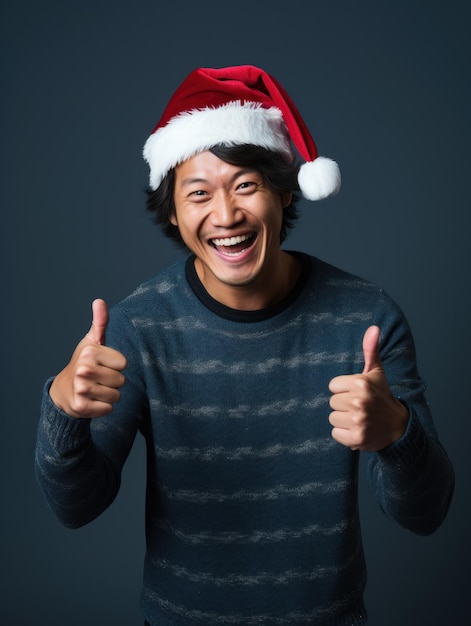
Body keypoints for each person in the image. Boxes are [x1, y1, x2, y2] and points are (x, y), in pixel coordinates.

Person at [35, 65, 454, 625]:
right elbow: (76, 508)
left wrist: (397, 433)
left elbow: (426, 515)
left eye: (246, 185)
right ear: (175, 213)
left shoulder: (366, 319)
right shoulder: (140, 326)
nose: (226, 215)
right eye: (199, 193)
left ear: (283, 192)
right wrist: (62, 410)